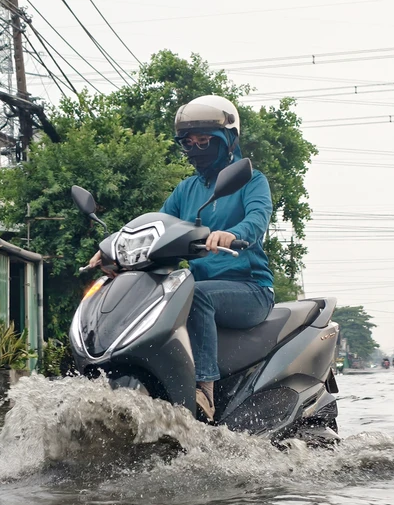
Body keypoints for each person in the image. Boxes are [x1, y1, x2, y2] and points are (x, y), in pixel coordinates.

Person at [88, 95, 274, 421]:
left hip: (251, 289)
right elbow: (155, 227)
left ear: (228, 141)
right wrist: (113, 248)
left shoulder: (250, 181)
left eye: (205, 141)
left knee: (196, 295)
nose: (196, 149)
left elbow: (257, 220)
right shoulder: (186, 190)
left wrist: (232, 234)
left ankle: (205, 391)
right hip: (198, 289)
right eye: (190, 143)